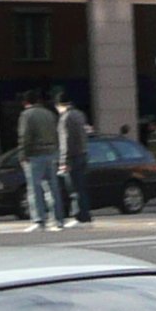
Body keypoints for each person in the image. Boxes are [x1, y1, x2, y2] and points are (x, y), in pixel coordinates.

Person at [15, 88, 63, 229]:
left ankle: (39, 220)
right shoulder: (50, 114)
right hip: (52, 153)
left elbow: (25, 137)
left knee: (35, 189)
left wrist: (23, 155)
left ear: (25, 102)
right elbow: (57, 134)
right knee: (53, 188)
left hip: (35, 155)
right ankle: (58, 220)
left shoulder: (26, 115)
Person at [57, 91, 94, 228]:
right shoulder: (80, 115)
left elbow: (65, 141)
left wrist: (63, 162)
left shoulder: (65, 118)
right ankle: (86, 216)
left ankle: (80, 217)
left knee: (74, 189)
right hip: (83, 154)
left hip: (72, 157)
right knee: (81, 187)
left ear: (60, 105)